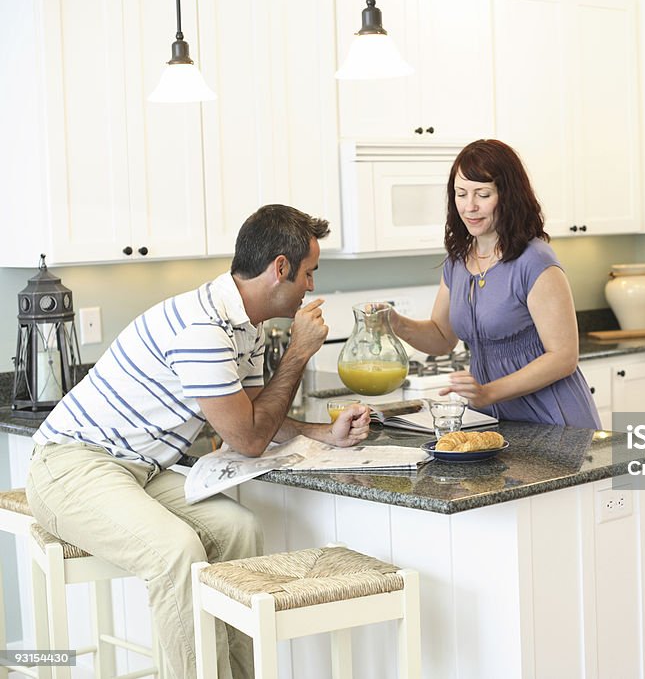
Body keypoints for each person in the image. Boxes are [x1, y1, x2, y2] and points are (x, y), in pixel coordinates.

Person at [26, 204, 371, 679]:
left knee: (239, 530)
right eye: (310, 273)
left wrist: (321, 434)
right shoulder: (203, 330)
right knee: (175, 552)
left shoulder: (243, 326)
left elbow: (252, 414)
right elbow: (249, 440)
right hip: (70, 468)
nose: (312, 286)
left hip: (137, 471)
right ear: (280, 268)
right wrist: (297, 352)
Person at [389, 139, 600, 429]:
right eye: (461, 194)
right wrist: (394, 322)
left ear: (508, 195)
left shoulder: (535, 260)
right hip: (496, 422)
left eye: (483, 194)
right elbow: (441, 337)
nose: (469, 206)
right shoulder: (457, 261)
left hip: (554, 419)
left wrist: (488, 392)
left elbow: (563, 356)